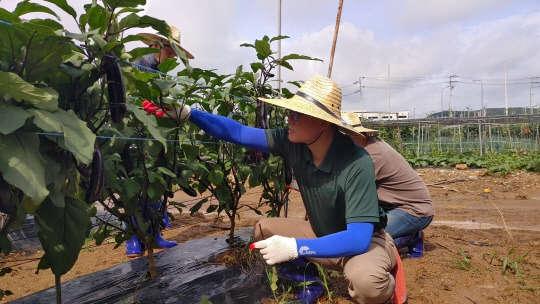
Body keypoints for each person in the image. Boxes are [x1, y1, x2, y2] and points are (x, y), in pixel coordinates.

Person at [144, 76, 402, 304]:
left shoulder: (356, 162)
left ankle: (388, 286)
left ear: (323, 124)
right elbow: (239, 132)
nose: (289, 119)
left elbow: (357, 238)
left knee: (368, 285)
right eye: (290, 112)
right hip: (320, 234)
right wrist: (190, 114)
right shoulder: (293, 142)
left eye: (297, 114)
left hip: (361, 245)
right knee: (262, 230)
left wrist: (296, 248)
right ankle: (310, 283)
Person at [124, 24, 194, 258]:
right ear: (157, 45)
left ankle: (153, 235)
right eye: (171, 50)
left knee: (154, 181)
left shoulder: (161, 69)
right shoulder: (141, 64)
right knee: (135, 181)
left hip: (152, 133)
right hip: (135, 132)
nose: (174, 56)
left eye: (175, 52)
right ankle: (133, 237)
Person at [341, 112, 434, 258]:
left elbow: (346, 189)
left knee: (365, 240)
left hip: (414, 211)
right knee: (358, 232)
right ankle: (406, 233)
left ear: (351, 136)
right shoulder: (366, 147)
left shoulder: (370, 156)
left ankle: (410, 237)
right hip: (393, 206)